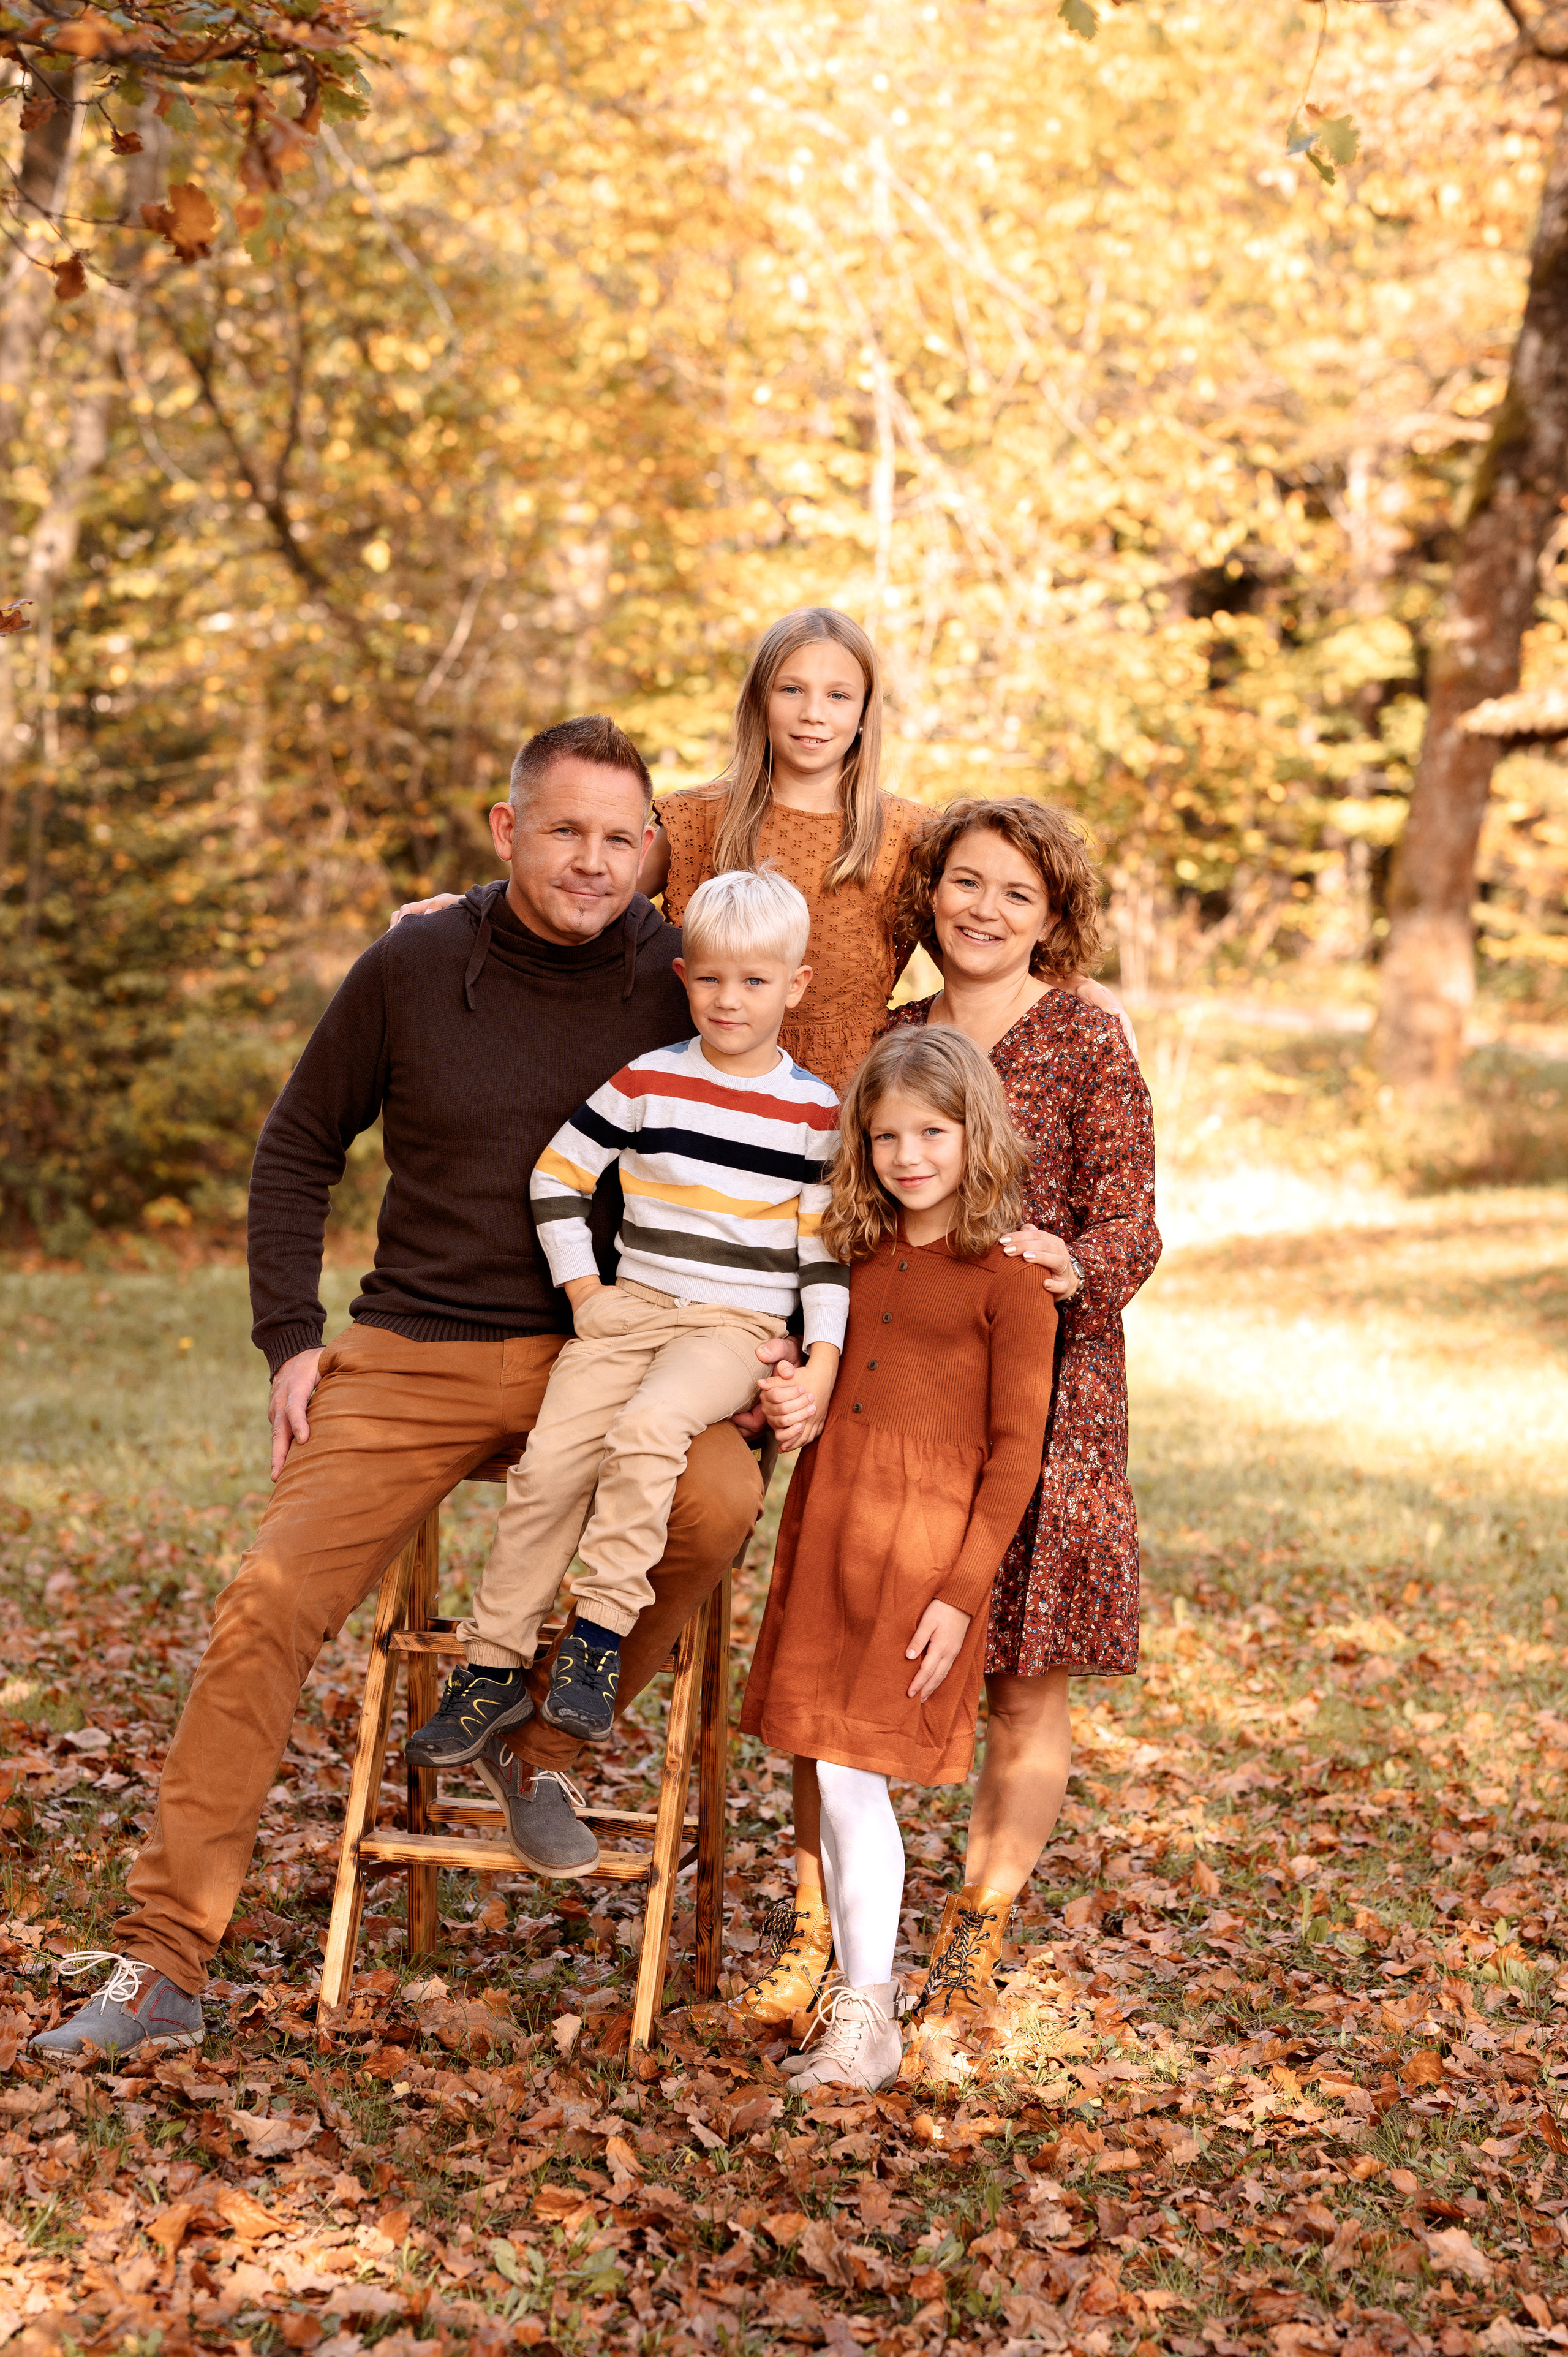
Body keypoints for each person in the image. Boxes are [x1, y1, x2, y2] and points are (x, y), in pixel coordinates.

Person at [34, 716, 767, 2064]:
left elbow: (792, 1086)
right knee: (264, 1609)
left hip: (605, 1352)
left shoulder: (685, 979)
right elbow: (297, 1145)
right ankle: (159, 1967)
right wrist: (287, 1338)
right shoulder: (417, 958)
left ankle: (537, 1733)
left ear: (654, 850)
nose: (591, 861)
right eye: (562, 830)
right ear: (505, 830)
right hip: (411, 1349)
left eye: (620, 837)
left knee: (716, 1502)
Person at [760, 795, 1159, 2024]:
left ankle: (973, 1937)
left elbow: (1132, 1217)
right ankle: (815, 1934)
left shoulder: (1086, 1039)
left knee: (1022, 1676)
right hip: (895, 1395)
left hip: (1046, 1377)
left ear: (1052, 918)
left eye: (1014, 894)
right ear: (930, 892)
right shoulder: (890, 1034)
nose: (982, 910)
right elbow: (840, 1206)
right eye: (964, 883)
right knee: (829, 1666)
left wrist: (1069, 1261)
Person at [404, 866, 846, 1763]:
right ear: (683, 978)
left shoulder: (815, 1113)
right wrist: (585, 1293)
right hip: (630, 1306)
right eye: (712, 978)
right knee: (550, 1465)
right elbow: (556, 1175)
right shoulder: (648, 1080)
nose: (731, 1000)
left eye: (756, 982)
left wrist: (820, 1360)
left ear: (795, 986)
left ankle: (595, 1646)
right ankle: (492, 1667)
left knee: (648, 1432)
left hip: (733, 1330)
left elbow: (822, 1254)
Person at [739, 1027, 1057, 2090]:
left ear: (977, 1133)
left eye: (933, 1131)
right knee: (828, 1773)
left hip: (923, 1556)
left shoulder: (1007, 1282)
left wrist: (961, 1599)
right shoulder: (846, 1255)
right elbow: (810, 1368)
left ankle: (868, 2017)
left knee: (849, 1774)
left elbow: (1017, 1457)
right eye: (885, 1136)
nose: (909, 1155)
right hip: (832, 1527)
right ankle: (857, 2001)